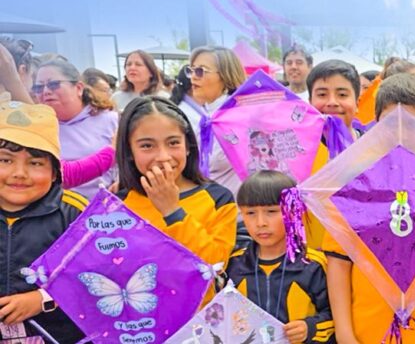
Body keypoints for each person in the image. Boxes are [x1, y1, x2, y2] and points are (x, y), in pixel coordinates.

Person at [325, 73, 415, 344]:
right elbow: (338, 263)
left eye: (412, 126)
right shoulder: (355, 187)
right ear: (376, 126)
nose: (400, 136)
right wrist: (345, 334)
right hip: (370, 329)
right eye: (390, 125)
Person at [115, 96, 238, 302]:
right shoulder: (117, 205)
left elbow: (213, 266)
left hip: (198, 322)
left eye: (173, 143)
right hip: (139, 326)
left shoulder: (218, 199)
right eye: (147, 146)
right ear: (129, 152)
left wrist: (172, 211)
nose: (163, 156)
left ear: (188, 146)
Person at [0, 102, 88, 343]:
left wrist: (44, 298)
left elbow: (103, 274)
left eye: (35, 163)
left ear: (54, 172)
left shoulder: (76, 213)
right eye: (5, 160)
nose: (19, 172)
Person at [227, 171, 333, 343]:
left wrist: (310, 328)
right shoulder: (234, 264)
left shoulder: (314, 265)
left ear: (294, 211)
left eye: (271, 211)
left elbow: (339, 315)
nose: (260, 222)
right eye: (250, 213)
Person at [35, 59, 118, 198]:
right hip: (56, 213)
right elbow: (65, 176)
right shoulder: (35, 128)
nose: (45, 91)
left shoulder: (112, 120)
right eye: (38, 87)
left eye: (54, 84)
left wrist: (123, 180)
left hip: (106, 210)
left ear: (79, 88)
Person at [178, 46, 246, 195]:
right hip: (211, 209)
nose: (193, 77)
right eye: (191, 70)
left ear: (225, 76)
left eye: (201, 71)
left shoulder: (241, 116)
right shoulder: (208, 117)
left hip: (238, 212)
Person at [306, 59, 363, 141]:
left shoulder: (375, 148)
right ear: (310, 103)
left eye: (342, 94)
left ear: (357, 103)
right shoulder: (300, 149)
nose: (332, 102)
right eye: (322, 94)